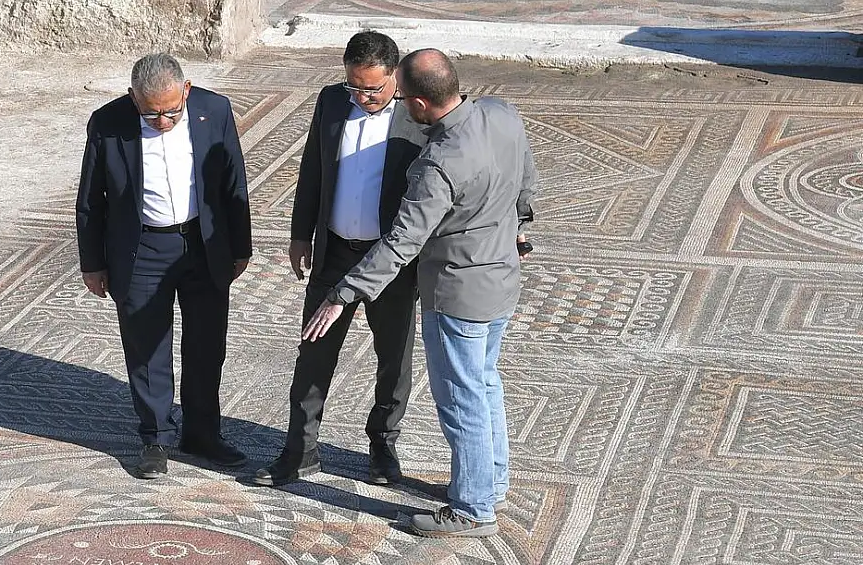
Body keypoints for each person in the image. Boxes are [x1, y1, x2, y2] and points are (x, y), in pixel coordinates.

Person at [303, 49, 537, 537]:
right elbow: (524, 175)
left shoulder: (440, 162)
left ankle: (472, 509)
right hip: (503, 282)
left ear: (421, 104)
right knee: (485, 384)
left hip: (458, 293)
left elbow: (401, 243)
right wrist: (521, 216)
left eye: (403, 98)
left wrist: (343, 293)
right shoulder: (501, 114)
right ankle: (490, 484)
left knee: (460, 398)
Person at [252, 31, 426, 487]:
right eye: (355, 86)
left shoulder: (418, 113)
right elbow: (312, 169)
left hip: (389, 261)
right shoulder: (332, 102)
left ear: (396, 77)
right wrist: (299, 234)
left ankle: (383, 446)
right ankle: (300, 451)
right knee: (313, 352)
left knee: (393, 359)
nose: (363, 96)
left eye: (373, 88)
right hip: (334, 251)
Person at [75, 53, 252, 479]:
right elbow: (90, 200)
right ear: (133, 97)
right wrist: (93, 263)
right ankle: (155, 436)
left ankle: (203, 433)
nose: (162, 121)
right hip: (141, 251)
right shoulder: (108, 122)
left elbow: (234, 182)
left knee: (207, 344)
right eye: (151, 113)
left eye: (172, 111)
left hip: (202, 244)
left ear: (186, 90)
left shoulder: (215, 110)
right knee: (146, 346)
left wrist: (240, 247)